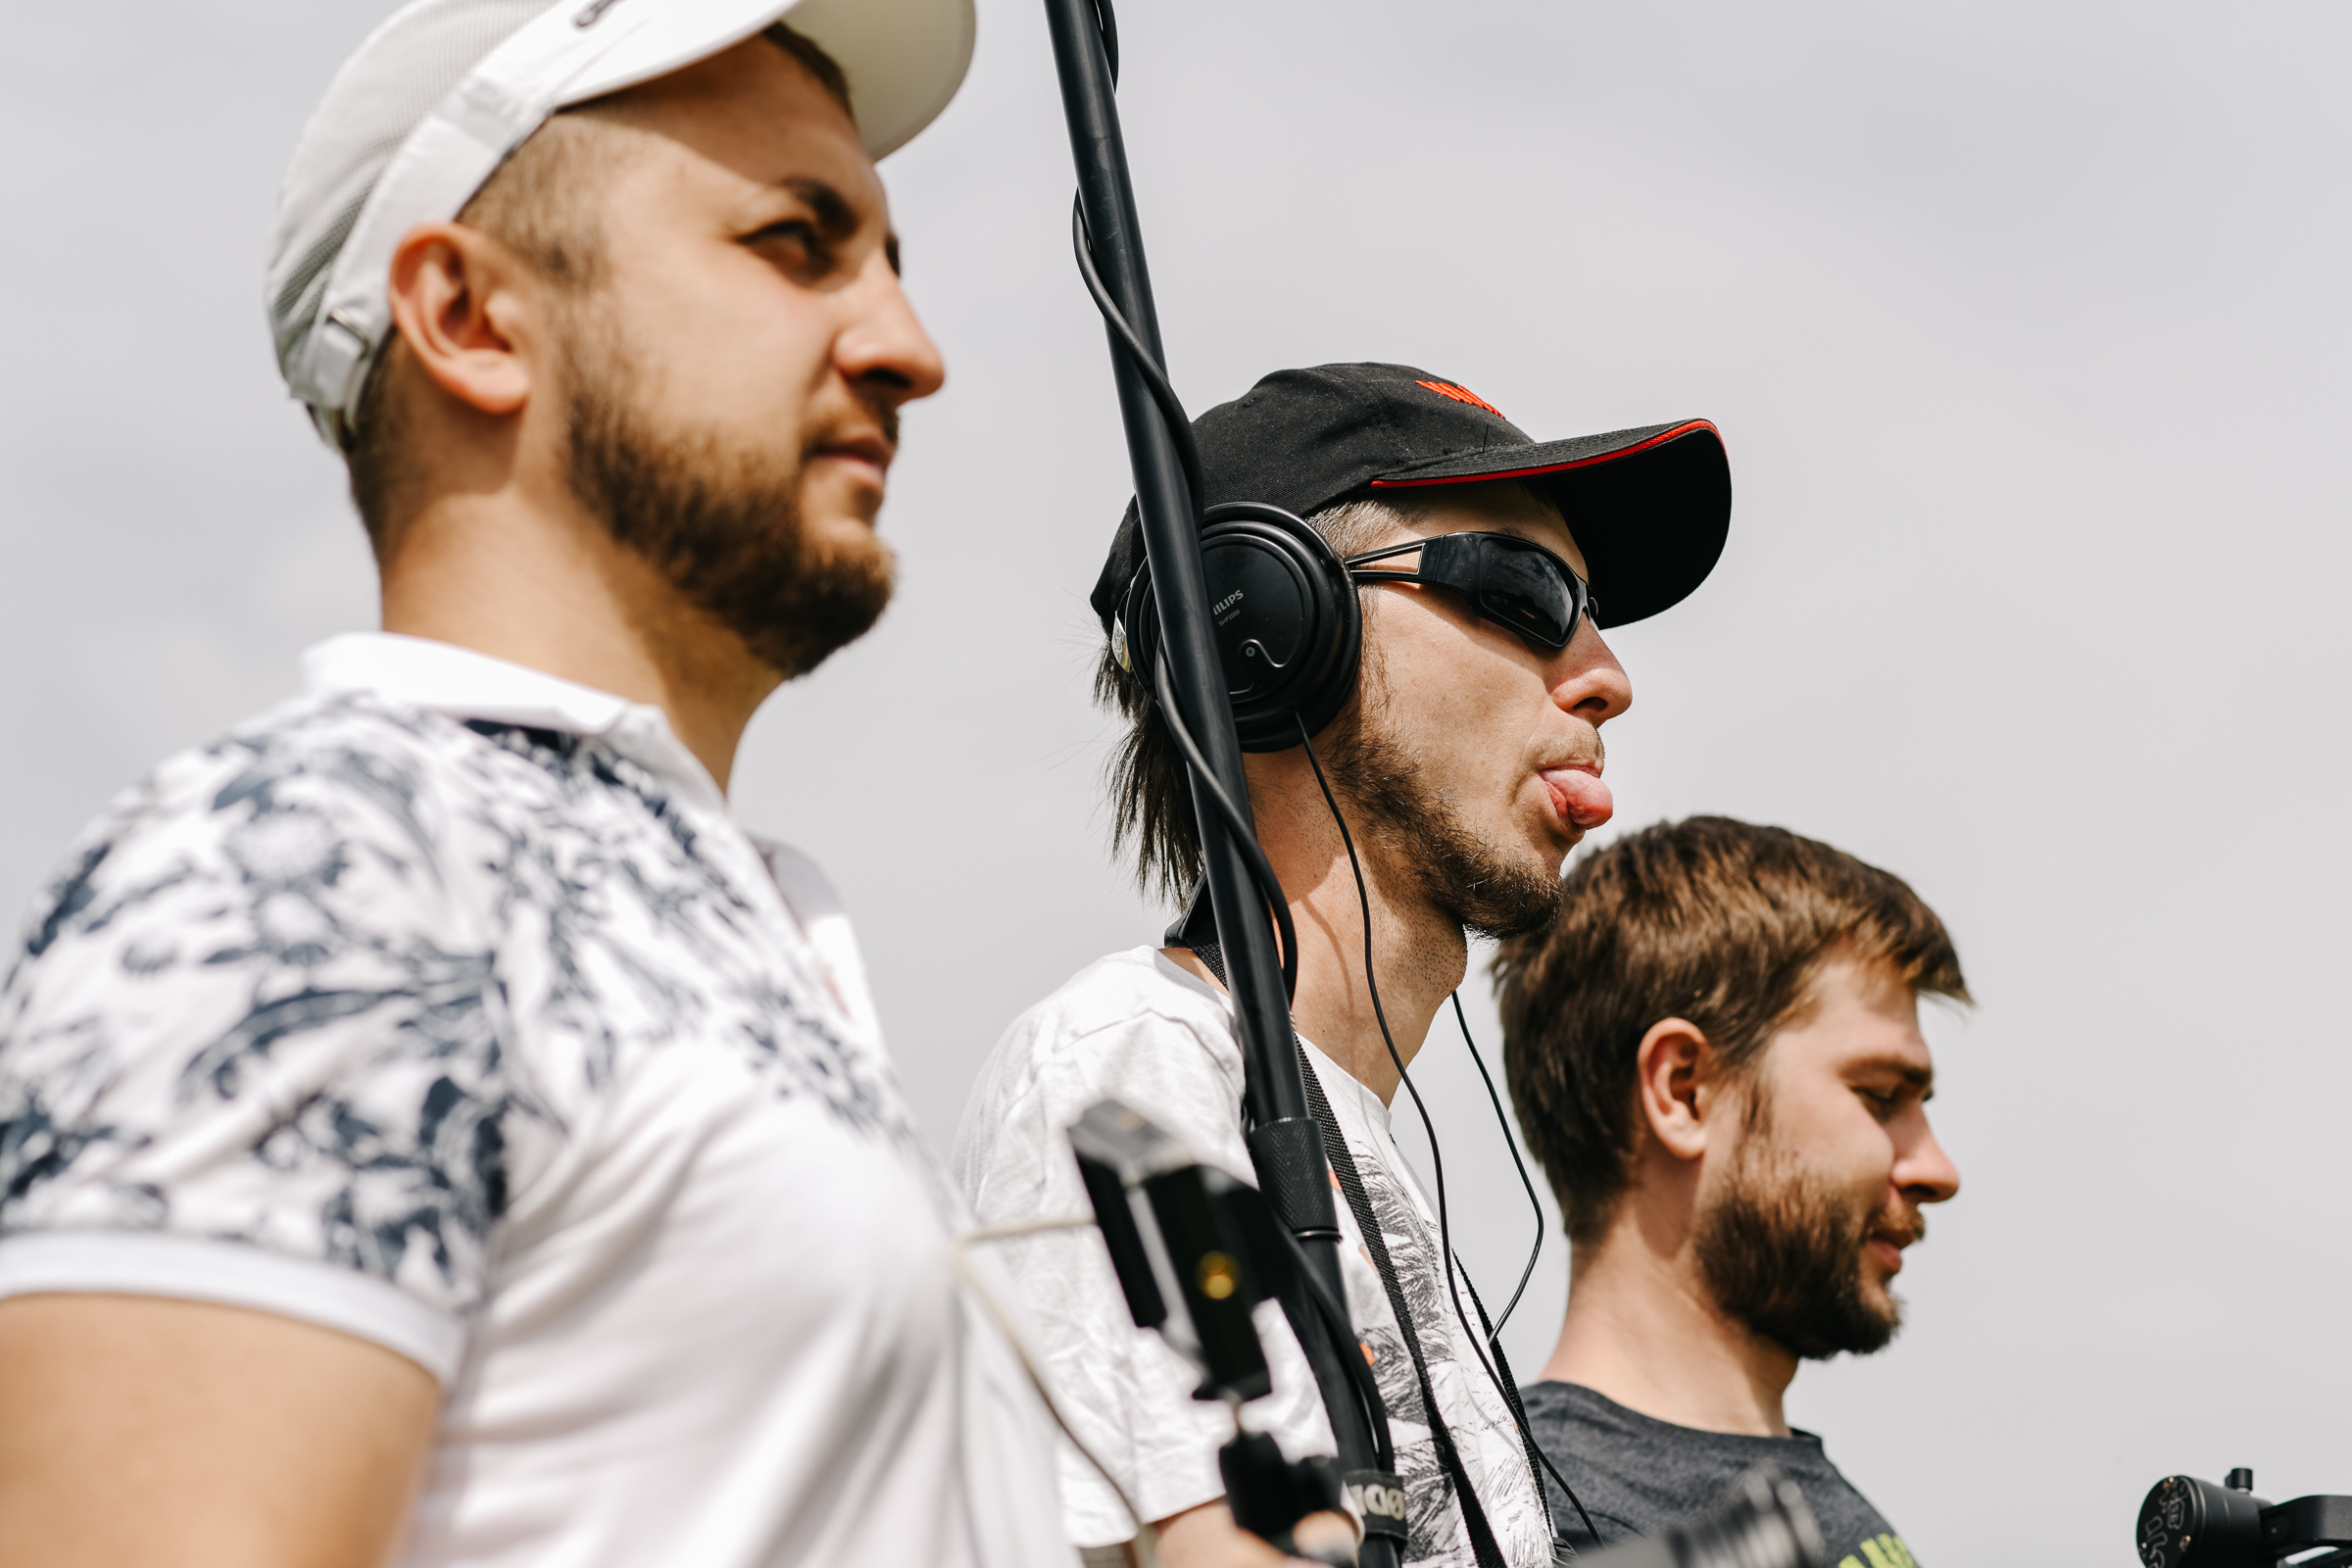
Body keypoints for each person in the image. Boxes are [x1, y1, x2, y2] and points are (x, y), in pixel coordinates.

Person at [0, 3, 1075, 1565]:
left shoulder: (733, 915)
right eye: (797, 242)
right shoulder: (318, 866)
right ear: (470, 317)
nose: (908, 347)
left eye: (893, 260)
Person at [955, 363, 1735, 1567]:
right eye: (1530, 593)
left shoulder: (1339, 1139)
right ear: (1267, 625)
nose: (1606, 677)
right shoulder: (1137, 1077)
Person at [1494, 816, 1966, 1568]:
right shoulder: (1542, 1527)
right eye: (1879, 1096)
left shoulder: (1798, 1495)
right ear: (1684, 1092)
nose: (1938, 1170)